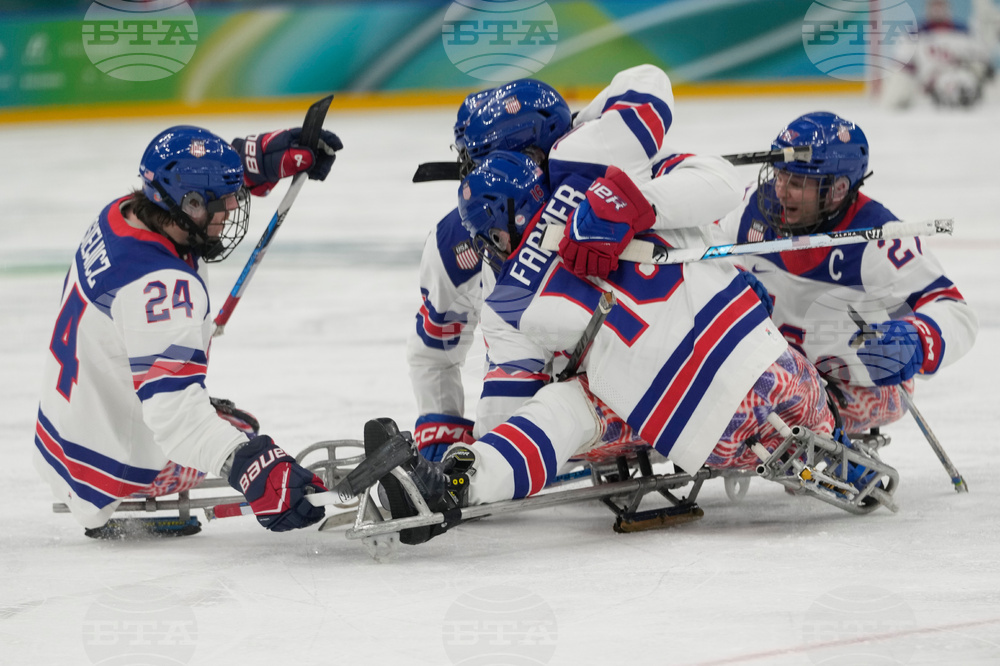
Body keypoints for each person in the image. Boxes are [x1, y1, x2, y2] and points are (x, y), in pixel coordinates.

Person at [368, 151, 872, 546]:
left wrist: (464, 440)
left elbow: (504, 412)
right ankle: (842, 444)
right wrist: (644, 203)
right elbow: (715, 182)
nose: (492, 250)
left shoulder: (516, 303)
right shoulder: (617, 179)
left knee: (563, 409)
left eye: (493, 238)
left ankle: (456, 485)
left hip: (693, 435)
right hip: (782, 380)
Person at [563, 111, 979, 436]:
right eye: (780, 175)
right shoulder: (753, 208)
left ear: (837, 189)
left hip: (861, 384)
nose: (781, 191)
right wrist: (727, 282)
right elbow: (698, 252)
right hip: (772, 370)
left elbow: (954, 311)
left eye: (799, 182)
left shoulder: (878, 239)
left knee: (755, 405)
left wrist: (915, 340)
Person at [408, 66, 745, 461]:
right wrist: (442, 428)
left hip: (687, 350)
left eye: (478, 162)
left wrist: (634, 207)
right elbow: (435, 344)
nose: (471, 176)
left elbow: (719, 190)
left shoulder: (607, 160)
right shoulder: (461, 239)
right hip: (572, 392)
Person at [34, 124, 342, 537]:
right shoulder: (160, 288)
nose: (233, 208)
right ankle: (138, 497)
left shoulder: (123, 212)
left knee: (214, 416)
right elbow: (177, 417)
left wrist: (262, 159)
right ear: (191, 205)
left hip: (65, 436)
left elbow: (190, 179)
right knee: (243, 431)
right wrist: (248, 464)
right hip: (107, 469)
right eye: (222, 201)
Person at [882, 0, 995, 109]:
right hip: (932, 83)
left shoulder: (964, 32)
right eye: (934, 4)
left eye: (940, 4)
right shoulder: (915, 33)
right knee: (899, 81)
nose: (937, 9)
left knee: (969, 80)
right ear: (927, 8)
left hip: (960, 74)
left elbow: (982, 59)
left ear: (947, 7)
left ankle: (964, 96)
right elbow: (902, 62)